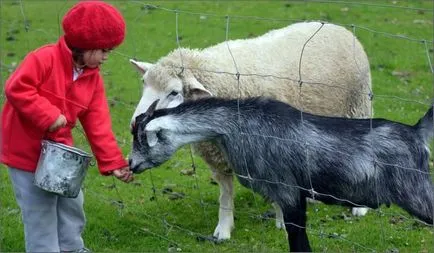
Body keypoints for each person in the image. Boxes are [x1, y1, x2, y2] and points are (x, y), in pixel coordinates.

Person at [0, 1, 134, 252]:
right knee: (39, 208)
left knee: (71, 202)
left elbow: (98, 122)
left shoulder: (91, 77)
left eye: (110, 50)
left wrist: (113, 162)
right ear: (83, 43)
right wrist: (48, 114)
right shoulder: (44, 58)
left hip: (59, 152)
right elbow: (16, 88)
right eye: (103, 49)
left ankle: (72, 248)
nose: (107, 56)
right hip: (25, 151)